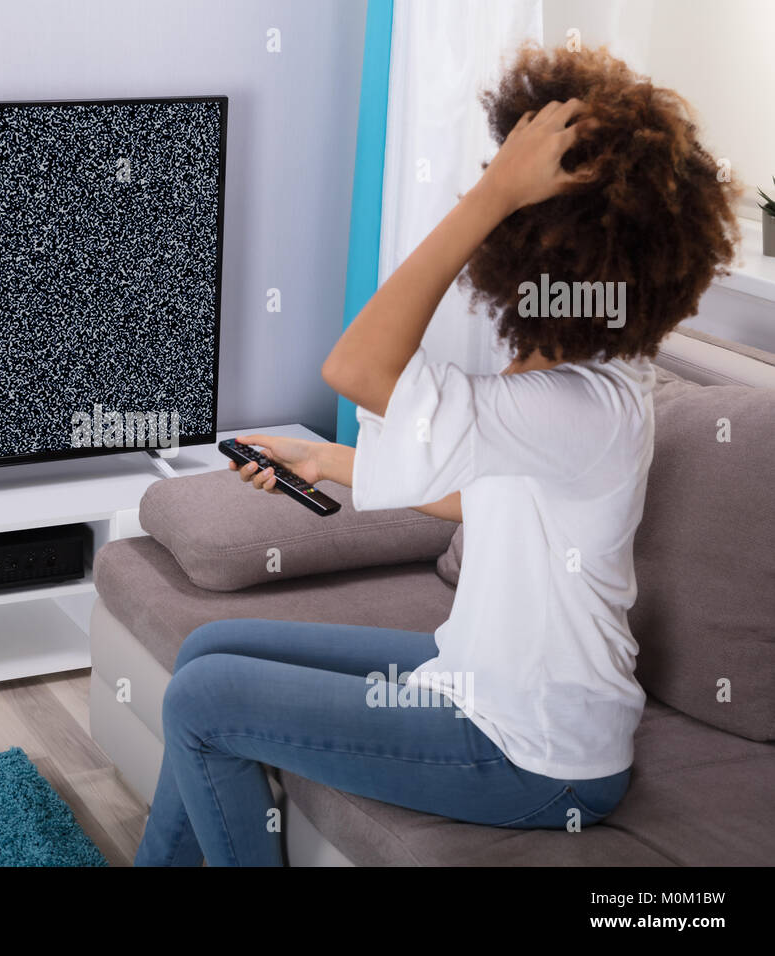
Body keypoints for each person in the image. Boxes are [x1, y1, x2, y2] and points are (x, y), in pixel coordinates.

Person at [134, 44, 740, 867]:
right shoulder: (572, 376)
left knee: (205, 698)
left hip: (536, 753)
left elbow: (355, 369)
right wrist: (325, 465)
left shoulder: (580, 404)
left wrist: (494, 198)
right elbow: (485, 499)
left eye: (502, 195)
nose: (482, 190)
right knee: (210, 650)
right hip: (474, 676)